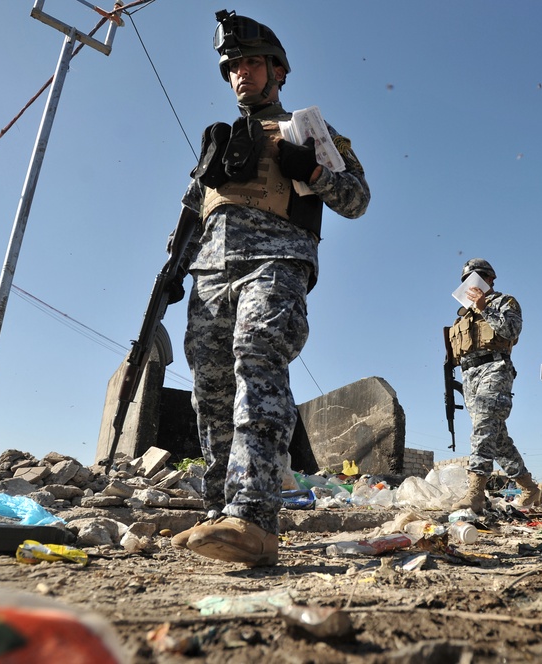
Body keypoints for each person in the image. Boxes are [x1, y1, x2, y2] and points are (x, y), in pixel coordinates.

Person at [170, 10, 369, 566]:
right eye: (232, 66)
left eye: (252, 63)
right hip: (209, 273)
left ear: (278, 70)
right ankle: (219, 513)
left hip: (277, 261)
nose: (241, 74)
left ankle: (255, 517)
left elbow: (356, 200)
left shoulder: (308, 131)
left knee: (256, 364)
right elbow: (192, 216)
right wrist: (172, 271)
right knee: (210, 392)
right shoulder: (217, 144)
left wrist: (314, 170)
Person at [446, 258, 542, 514]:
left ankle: (475, 493)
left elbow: (511, 330)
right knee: (496, 438)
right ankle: (530, 488)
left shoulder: (503, 302)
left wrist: (484, 307)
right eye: (467, 279)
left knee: (483, 427)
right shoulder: (463, 315)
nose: (471, 283)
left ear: (489, 279)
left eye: (477, 277)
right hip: (469, 376)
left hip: (495, 368)